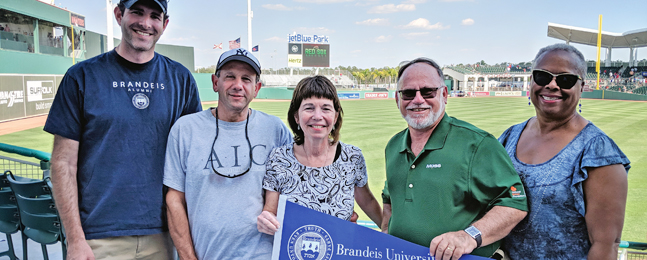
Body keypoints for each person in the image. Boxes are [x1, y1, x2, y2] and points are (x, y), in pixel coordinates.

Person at [44, 0, 202, 259]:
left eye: (154, 16)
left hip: (164, 235)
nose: (145, 23)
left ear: (165, 24)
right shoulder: (82, 76)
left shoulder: (180, 79)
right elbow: (63, 163)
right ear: (119, 14)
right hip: (99, 237)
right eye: (137, 12)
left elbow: (193, 162)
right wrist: (74, 239)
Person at [381, 58, 528, 260]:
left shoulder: (477, 144)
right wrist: (385, 234)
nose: (417, 100)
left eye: (427, 92)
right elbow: (390, 198)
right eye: (408, 93)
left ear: (444, 94)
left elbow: (514, 203)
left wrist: (468, 236)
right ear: (398, 99)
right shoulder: (393, 145)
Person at [499, 43, 630, 260]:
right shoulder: (509, 137)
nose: (551, 85)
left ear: (582, 87)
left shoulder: (599, 153)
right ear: (531, 81)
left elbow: (606, 246)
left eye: (565, 80)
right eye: (542, 76)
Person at [164, 48, 293, 260]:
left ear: (257, 88)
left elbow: (301, 181)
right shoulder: (185, 129)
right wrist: (188, 257)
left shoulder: (275, 129)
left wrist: (337, 214)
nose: (238, 85)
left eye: (246, 79)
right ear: (215, 83)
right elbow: (174, 199)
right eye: (230, 76)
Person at [257, 76, 383, 235]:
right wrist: (266, 221)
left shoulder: (352, 157)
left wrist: (389, 230)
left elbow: (367, 201)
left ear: (335, 117)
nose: (317, 116)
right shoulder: (279, 158)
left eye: (326, 108)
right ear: (296, 116)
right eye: (309, 108)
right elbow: (270, 211)